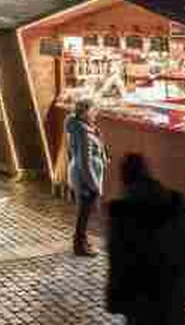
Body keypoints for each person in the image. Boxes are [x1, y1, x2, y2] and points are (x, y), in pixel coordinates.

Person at [107, 154, 185, 325]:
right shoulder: (175, 203)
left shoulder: (122, 215)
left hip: (141, 306)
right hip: (173, 300)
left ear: (124, 180)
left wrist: (115, 301)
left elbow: (118, 262)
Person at [66, 97, 108, 257]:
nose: (95, 113)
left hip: (82, 173)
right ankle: (79, 245)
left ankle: (82, 241)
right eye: (93, 110)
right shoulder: (83, 133)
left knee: (84, 211)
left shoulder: (80, 127)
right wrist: (94, 185)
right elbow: (85, 161)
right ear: (85, 112)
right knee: (84, 213)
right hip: (86, 177)